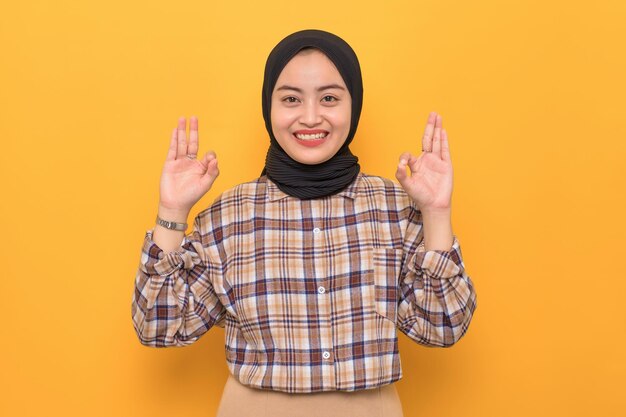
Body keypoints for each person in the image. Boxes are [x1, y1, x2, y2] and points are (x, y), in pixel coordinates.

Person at [131, 29, 477, 417]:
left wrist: (436, 212)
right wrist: (172, 212)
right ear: (269, 106)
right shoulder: (228, 214)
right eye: (291, 99)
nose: (310, 117)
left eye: (329, 98)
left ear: (353, 105)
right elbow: (158, 329)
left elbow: (443, 328)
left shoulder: (395, 207)